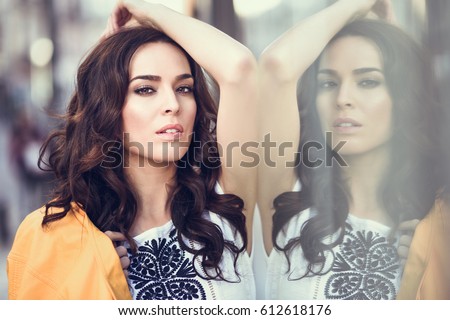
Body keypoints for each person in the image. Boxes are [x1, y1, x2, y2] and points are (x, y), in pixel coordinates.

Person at [7, 0, 257, 300]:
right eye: (145, 89)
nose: (173, 104)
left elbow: (240, 66)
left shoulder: (224, 204)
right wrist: (91, 277)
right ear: (107, 108)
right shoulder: (66, 235)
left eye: (184, 88)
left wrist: (146, 10)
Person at [258, 0, 450, 299]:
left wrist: (427, 261)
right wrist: (361, 4)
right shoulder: (288, 200)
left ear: (404, 96)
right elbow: (276, 64)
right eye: (327, 84)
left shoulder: (432, 222)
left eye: (368, 81)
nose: (343, 98)